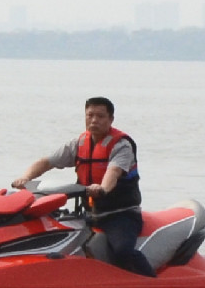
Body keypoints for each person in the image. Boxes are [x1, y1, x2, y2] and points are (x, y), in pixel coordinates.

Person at [12, 97, 156, 278]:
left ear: (111, 119)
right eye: (90, 115)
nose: (94, 120)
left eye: (100, 116)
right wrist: (25, 178)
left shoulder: (121, 145)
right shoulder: (78, 144)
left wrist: (102, 188)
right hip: (89, 214)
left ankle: (153, 284)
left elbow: (113, 172)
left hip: (121, 215)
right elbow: (46, 162)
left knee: (122, 251)